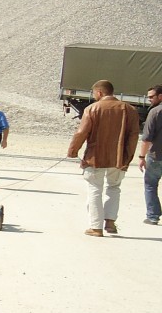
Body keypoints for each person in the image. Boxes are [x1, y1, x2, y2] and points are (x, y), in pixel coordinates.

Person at [66, 79, 139, 236]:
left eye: (94, 93)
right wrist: (127, 157)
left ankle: (96, 227)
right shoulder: (130, 109)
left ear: (99, 92)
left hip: (95, 157)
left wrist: (73, 150)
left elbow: (81, 133)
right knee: (114, 188)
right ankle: (110, 223)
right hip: (119, 157)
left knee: (94, 189)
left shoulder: (93, 109)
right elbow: (133, 137)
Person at [136, 83, 162, 225]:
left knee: (151, 184)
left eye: (152, 97)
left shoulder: (155, 112)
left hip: (157, 156)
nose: (149, 100)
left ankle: (153, 216)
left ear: (160, 96)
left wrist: (141, 157)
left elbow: (146, 138)